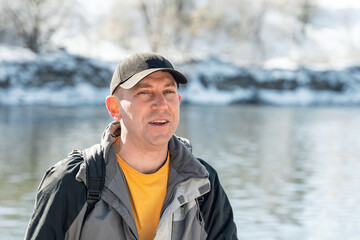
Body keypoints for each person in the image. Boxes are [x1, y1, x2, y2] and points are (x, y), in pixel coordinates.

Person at [25, 53, 238, 240]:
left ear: (178, 101)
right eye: (144, 92)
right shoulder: (73, 181)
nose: (161, 104)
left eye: (168, 92)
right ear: (114, 107)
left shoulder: (203, 184)